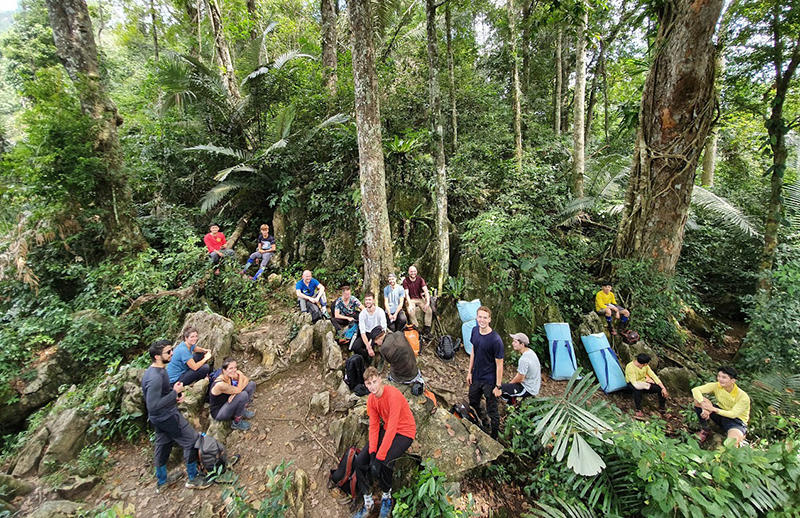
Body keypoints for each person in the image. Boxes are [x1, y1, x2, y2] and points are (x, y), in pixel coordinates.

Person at [142, 339, 213, 492]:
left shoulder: (155, 371)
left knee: (163, 445)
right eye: (168, 352)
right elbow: (152, 405)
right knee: (191, 440)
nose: (172, 353)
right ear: (157, 357)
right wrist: (174, 392)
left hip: (159, 418)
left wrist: (174, 395)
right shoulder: (154, 377)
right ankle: (193, 478)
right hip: (166, 417)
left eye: (171, 350)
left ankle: (162, 482)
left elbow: (160, 394)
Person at [351, 367, 416, 518]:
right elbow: (374, 426)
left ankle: (387, 497)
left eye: (374, 382)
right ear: (365, 385)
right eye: (369, 384)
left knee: (386, 463)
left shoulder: (392, 395)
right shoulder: (372, 400)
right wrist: (373, 453)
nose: (372, 386)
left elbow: (393, 427)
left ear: (380, 379)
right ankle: (368, 501)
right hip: (387, 429)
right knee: (360, 460)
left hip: (404, 432)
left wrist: (379, 458)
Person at [466, 306, 504, 439]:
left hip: (490, 380)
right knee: (473, 400)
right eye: (480, 317)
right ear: (477, 318)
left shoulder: (495, 340)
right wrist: (469, 372)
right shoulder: (475, 331)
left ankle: (494, 437)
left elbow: (500, 364)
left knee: (492, 410)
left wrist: (498, 386)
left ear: (490, 320)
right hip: (476, 376)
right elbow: (473, 352)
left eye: (485, 317)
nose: (482, 320)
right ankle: (484, 422)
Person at [692, 366, 750, 447]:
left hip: (736, 421)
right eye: (719, 376)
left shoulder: (743, 396)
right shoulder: (717, 386)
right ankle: (705, 429)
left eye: (724, 377)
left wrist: (713, 409)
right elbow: (695, 390)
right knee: (697, 399)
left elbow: (733, 414)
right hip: (719, 413)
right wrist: (704, 407)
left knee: (732, 442)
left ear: (733, 380)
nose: (720, 379)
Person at [209, 357, 256, 431]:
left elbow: (246, 379)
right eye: (231, 368)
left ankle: (242, 411)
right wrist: (240, 375)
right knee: (243, 395)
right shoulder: (220, 384)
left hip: (229, 403)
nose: (234, 370)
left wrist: (234, 394)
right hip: (219, 412)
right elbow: (239, 390)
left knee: (251, 385)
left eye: (235, 367)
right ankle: (237, 423)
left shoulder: (230, 375)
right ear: (224, 370)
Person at [500, 333, 540, 403]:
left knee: (499, 389)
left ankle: (511, 405)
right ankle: (511, 405)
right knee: (507, 388)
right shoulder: (530, 352)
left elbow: (520, 379)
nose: (513, 343)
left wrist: (510, 384)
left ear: (522, 344)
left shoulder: (524, 359)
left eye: (515, 342)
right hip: (533, 385)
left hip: (527, 388)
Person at [624, 353, 668, 418]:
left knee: (660, 389)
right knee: (637, 390)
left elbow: (653, 376)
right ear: (645, 363)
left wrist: (663, 388)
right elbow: (634, 382)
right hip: (632, 384)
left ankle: (662, 408)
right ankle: (638, 409)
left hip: (644, 383)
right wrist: (645, 386)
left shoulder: (645, 367)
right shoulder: (630, 367)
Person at [351, 292, 387, 365]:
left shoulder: (380, 311)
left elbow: (383, 328)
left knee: (381, 344)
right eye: (366, 300)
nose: (368, 302)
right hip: (367, 333)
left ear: (373, 300)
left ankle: (381, 361)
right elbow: (362, 332)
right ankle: (367, 360)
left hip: (378, 333)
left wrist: (372, 340)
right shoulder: (362, 314)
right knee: (355, 347)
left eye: (369, 300)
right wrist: (368, 347)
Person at [402, 266, 432, 338]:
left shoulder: (420, 280)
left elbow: (426, 291)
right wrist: (410, 304)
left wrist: (427, 302)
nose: (413, 273)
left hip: (420, 298)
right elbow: (406, 294)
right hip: (411, 299)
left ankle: (427, 329)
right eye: (411, 271)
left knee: (429, 311)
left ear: (416, 272)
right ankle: (417, 329)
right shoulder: (405, 281)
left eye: (414, 271)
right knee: (411, 311)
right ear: (409, 272)